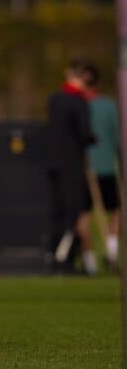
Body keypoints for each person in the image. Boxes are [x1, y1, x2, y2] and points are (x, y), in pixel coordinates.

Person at [46, 59, 96, 274]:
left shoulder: (55, 99)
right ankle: (63, 256)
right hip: (72, 163)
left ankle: (53, 253)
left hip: (53, 163)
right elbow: (85, 133)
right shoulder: (79, 102)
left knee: (57, 209)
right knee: (73, 212)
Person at [77, 64, 121, 274]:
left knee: (84, 216)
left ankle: (94, 261)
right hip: (103, 169)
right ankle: (106, 255)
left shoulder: (79, 105)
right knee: (114, 213)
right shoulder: (109, 106)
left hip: (88, 169)